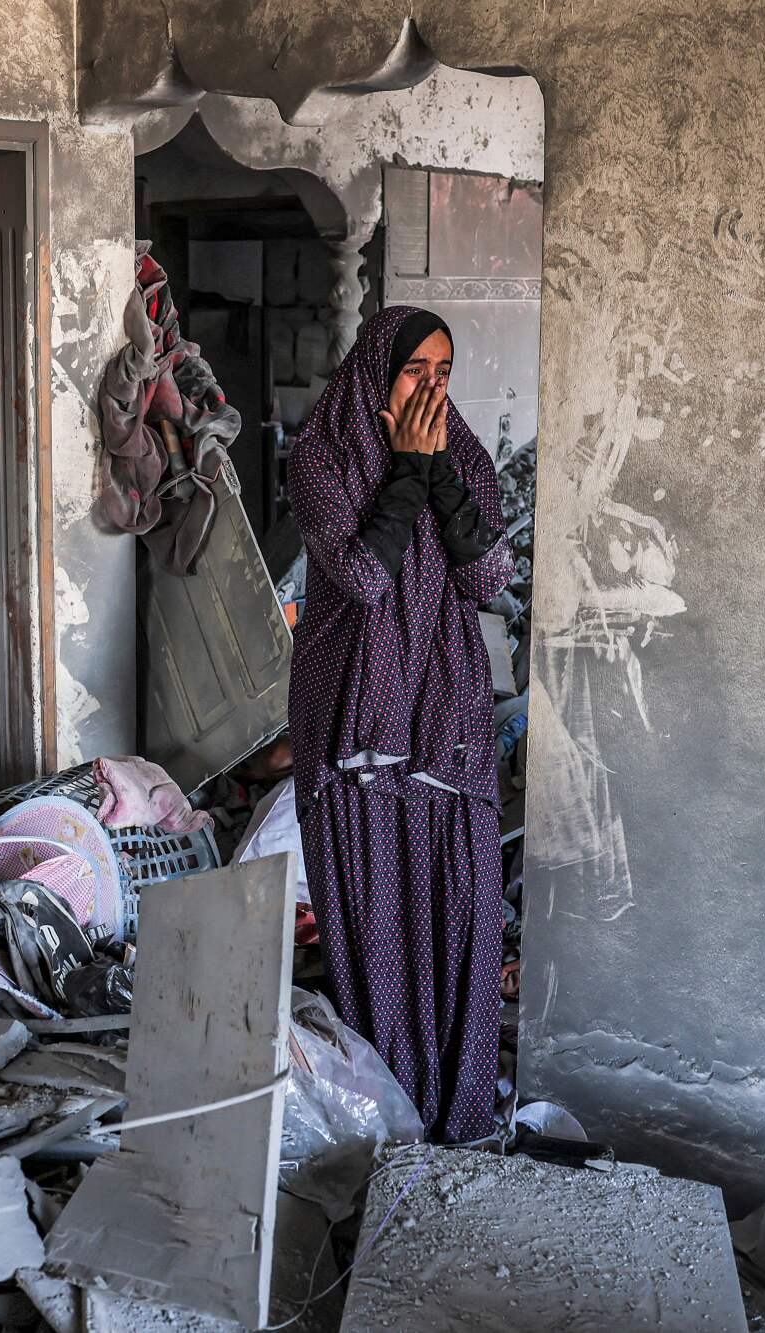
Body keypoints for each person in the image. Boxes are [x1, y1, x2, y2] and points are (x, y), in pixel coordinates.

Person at [285, 305, 512, 1143]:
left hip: (442, 718)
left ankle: (457, 1124)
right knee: (373, 920)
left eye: (443, 374)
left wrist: (438, 470)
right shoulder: (323, 456)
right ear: (379, 371)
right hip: (354, 723)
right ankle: (384, 1126)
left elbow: (488, 572)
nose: (431, 389)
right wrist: (408, 475)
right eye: (416, 371)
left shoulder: (463, 450)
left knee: (459, 912)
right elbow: (360, 575)